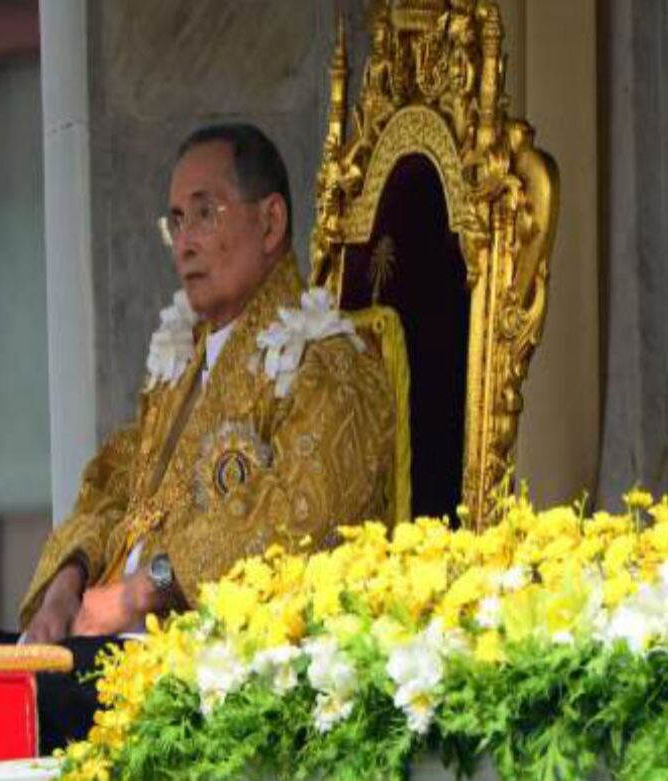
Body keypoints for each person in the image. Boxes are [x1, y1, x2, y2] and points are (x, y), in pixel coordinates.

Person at [20, 123, 394, 752]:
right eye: (175, 220)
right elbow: (112, 485)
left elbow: (294, 525)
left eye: (205, 213)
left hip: (207, 679)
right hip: (96, 651)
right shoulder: (180, 368)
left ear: (270, 224)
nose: (185, 242)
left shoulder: (326, 368)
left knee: (2, 704)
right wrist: (68, 581)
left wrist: (143, 591)